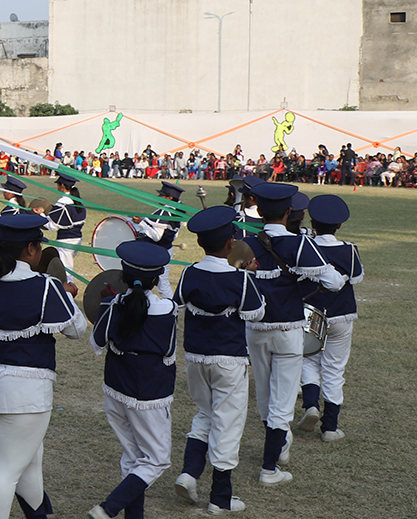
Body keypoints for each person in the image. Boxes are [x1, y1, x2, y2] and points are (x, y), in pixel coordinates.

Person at [0, 213, 84, 519]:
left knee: (29, 458)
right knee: (7, 470)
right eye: (40, 245)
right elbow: (76, 330)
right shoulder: (45, 285)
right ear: (31, 249)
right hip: (25, 391)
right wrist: (67, 296)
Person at [241, 182, 344, 486]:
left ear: (258, 210)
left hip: (254, 328)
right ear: (289, 212)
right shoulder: (299, 244)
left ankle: (280, 445)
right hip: (288, 327)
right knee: (283, 401)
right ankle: (270, 467)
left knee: (264, 394)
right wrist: (302, 284)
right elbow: (335, 282)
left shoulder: (245, 241)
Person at [171, 206, 264, 515]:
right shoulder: (240, 278)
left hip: (196, 357)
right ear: (230, 245)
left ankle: (189, 473)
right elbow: (256, 313)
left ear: (199, 244)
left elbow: (177, 304)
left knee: (205, 414)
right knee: (228, 422)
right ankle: (220, 497)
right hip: (229, 360)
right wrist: (248, 277)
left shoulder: (189, 273)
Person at [85, 242, 179, 519]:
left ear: (122, 276)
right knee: (157, 460)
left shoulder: (113, 305)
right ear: (156, 278)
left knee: (133, 456)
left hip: (115, 388)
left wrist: (105, 302)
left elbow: (97, 343)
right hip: (149, 393)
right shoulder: (167, 310)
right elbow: (169, 350)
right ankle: (110, 507)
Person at [297, 195, 362, 442]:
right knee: (335, 369)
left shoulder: (305, 246)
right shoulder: (350, 249)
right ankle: (330, 428)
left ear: (312, 224)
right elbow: (357, 277)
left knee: (308, 360)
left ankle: (311, 404)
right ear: (339, 226)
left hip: (310, 314)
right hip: (342, 315)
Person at [132, 182, 185, 299]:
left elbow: (156, 236)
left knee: (161, 282)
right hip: (166, 249)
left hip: (158, 252)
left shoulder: (165, 212)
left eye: (162, 195)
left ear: (170, 198)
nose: (159, 197)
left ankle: (172, 306)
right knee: (162, 282)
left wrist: (140, 223)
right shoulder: (177, 210)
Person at [42, 173, 86, 283]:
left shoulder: (63, 203)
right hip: (77, 239)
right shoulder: (78, 201)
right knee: (67, 269)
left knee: (65, 272)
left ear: (62, 186)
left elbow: (52, 226)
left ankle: (68, 295)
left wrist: (40, 215)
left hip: (65, 241)